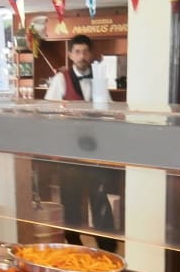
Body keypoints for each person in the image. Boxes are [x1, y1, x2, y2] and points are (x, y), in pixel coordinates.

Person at [42, 35, 121, 252]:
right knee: (71, 197)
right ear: (70, 55)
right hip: (70, 151)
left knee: (100, 196)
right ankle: (73, 243)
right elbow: (48, 112)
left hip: (96, 150)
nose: (82, 56)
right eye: (77, 52)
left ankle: (107, 246)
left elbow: (110, 109)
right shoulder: (61, 79)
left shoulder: (98, 78)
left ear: (91, 54)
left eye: (85, 51)